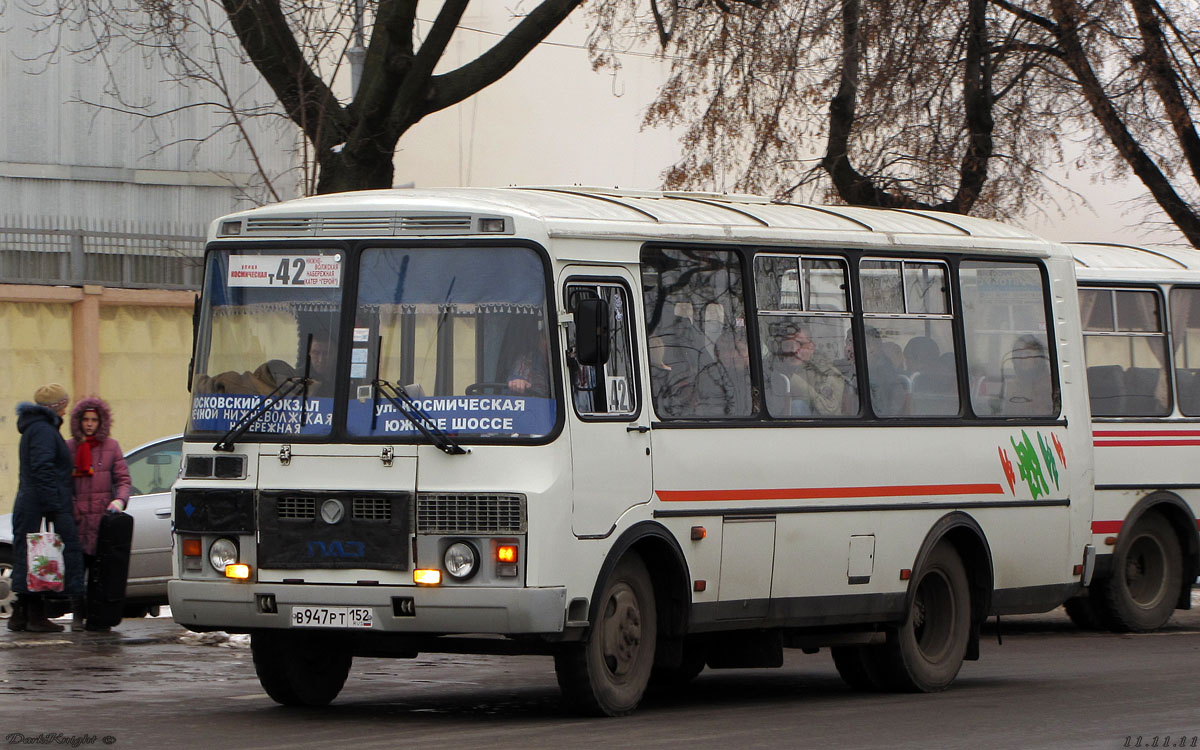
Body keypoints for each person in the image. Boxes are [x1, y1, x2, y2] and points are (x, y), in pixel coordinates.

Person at [9, 383, 85, 633]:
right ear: (56, 407)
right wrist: (54, 506)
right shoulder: (43, 430)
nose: (66, 409)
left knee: (29, 555)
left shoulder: (35, 427)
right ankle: (35, 616)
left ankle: (22, 614)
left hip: (30, 503)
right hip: (42, 504)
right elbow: (43, 469)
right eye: (64, 404)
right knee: (44, 556)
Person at [66, 397, 132, 632]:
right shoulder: (69, 447)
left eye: (94, 419)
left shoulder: (111, 447)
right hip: (78, 520)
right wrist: (72, 506)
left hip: (103, 522)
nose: (89, 424)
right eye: (85, 419)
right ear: (78, 421)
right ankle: (76, 613)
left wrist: (119, 501)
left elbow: (123, 480)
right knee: (76, 568)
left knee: (100, 571)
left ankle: (98, 616)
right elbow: (62, 483)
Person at [770, 325, 846, 416]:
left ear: (811, 347)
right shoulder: (773, 372)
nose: (793, 350)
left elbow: (830, 410)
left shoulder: (827, 374)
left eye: (800, 344)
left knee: (798, 406)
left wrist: (797, 383)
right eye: (787, 345)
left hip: (816, 427)